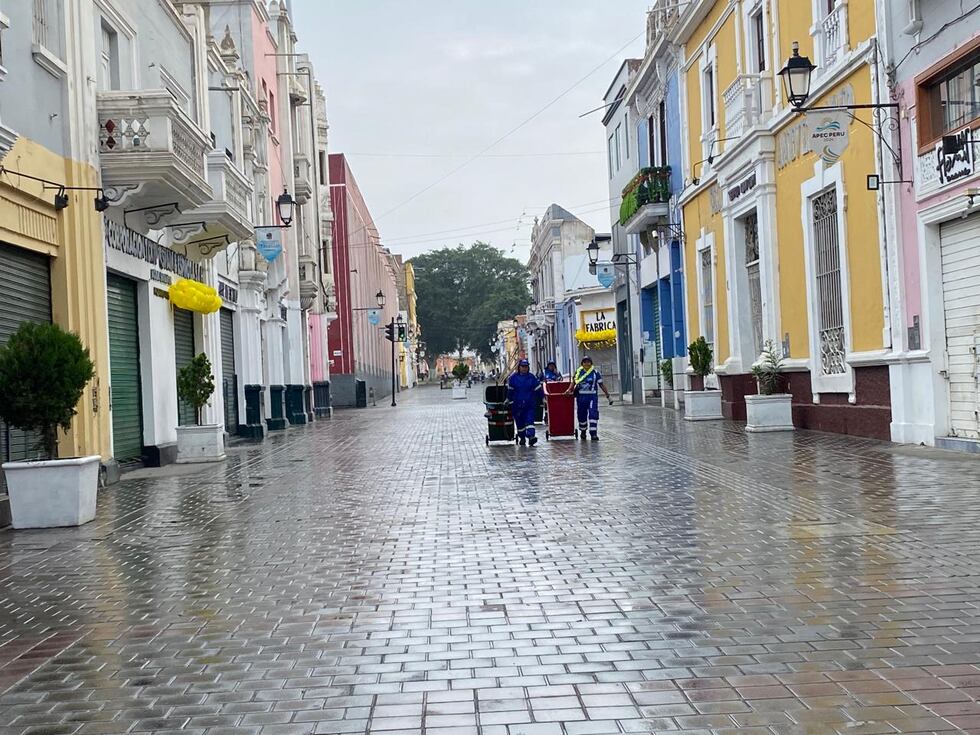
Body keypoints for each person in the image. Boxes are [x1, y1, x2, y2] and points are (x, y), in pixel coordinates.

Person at [565, 356, 612, 440]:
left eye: (588, 362)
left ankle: (593, 433)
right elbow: (573, 383)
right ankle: (583, 431)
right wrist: (568, 390)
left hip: (592, 397)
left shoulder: (595, 373)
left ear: (591, 363)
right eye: (585, 362)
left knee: (593, 413)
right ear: (582, 363)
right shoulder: (578, 372)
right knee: (581, 415)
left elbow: (601, 385)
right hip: (581, 397)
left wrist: (608, 395)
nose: (587, 364)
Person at [507, 358, 543, 446]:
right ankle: (522, 438)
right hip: (517, 405)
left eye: (526, 366)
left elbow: (538, 389)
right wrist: (508, 399)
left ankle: (531, 437)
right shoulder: (513, 378)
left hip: (529, 404)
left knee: (530, 421)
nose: (524, 368)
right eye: (523, 366)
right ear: (519, 367)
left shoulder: (531, 377)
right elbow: (510, 391)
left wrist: (543, 398)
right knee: (520, 424)